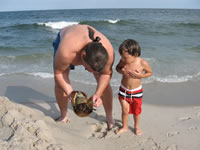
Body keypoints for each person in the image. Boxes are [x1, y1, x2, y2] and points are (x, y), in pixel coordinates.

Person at [52, 24, 115, 128]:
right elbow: (59, 73)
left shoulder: (108, 52)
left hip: (88, 48)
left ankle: (109, 117)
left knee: (104, 83)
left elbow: (106, 74)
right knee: (59, 83)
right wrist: (71, 94)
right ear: (83, 55)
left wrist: (98, 94)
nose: (91, 72)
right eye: (89, 69)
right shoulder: (66, 51)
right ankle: (63, 116)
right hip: (66, 38)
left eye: (94, 70)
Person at [116, 39, 152, 135]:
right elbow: (117, 68)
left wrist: (141, 76)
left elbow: (149, 73)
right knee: (125, 110)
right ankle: (124, 126)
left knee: (136, 112)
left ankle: (136, 127)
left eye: (125, 57)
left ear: (135, 54)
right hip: (124, 90)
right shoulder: (123, 61)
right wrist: (122, 71)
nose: (122, 59)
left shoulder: (142, 63)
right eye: (121, 57)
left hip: (136, 92)